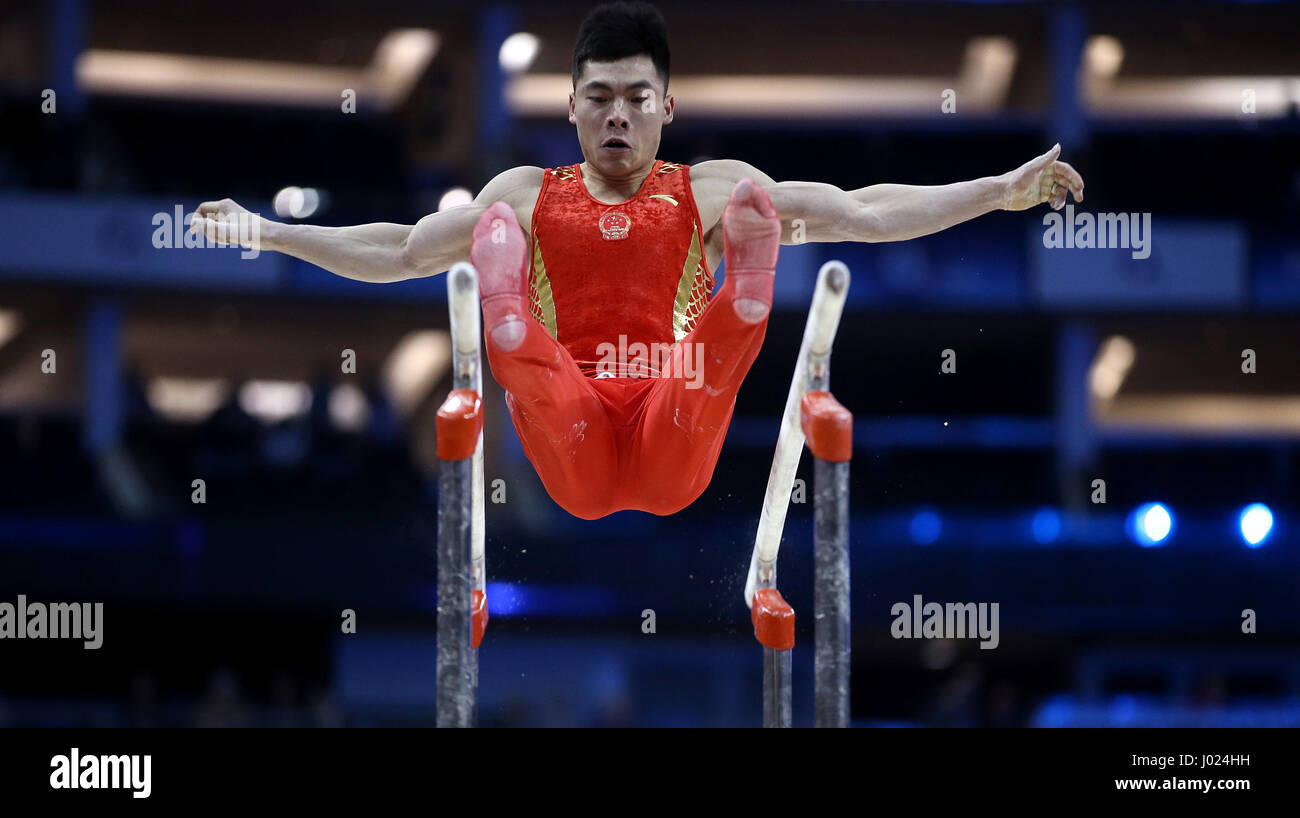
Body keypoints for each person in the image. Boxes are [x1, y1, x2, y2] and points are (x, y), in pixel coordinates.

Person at [190, 1, 1084, 520]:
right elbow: (398, 249)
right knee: (530, 352)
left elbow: (864, 215)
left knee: (711, 344)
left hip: (671, 425)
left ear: (667, 107)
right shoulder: (525, 193)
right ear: (574, 108)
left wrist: (998, 191)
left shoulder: (710, 190)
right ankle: (508, 311)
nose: (617, 115)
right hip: (569, 432)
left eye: (636, 97)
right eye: (599, 97)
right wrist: (267, 233)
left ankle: (743, 299)